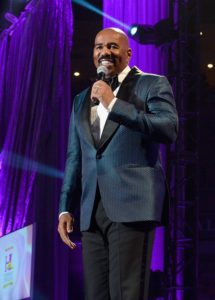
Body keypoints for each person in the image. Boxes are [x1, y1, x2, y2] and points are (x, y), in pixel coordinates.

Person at [58, 27, 178, 300]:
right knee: (96, 295)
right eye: (99, 47)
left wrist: (113, 104)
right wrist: (65, 207)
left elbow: (168, 129)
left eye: (112, 46)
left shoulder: (152, 84)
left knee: (126, 293)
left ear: (128, 52)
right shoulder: (81, 100)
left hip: (132, 203)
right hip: (91, 212)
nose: (105, 52)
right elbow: (75, 157)